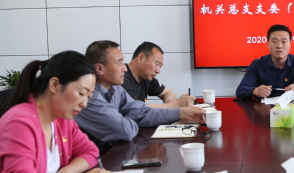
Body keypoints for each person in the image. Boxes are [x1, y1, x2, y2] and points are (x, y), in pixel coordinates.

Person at [74, 40, 205, 145]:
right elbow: (125, 130)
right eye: (119, 63)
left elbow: (141, 112)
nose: (125, 69)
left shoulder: (116, 89)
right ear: (100, 69)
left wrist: (181, 113)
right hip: (96, 162)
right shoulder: (89, 97)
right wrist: (127, 118)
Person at [235, 24, 294, 99]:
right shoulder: (257, 64)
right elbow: (240, 90)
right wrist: (255, 91)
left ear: (290, 44)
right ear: (268, 44)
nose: (279, 46)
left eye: (284, 42)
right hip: (265, 110)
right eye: (274, 41)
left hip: (292, 109)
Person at [123, 41, 193, 107]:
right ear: (141, 57)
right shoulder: (121, 77)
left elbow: (168, 92)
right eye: (156, 64)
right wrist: (176, 105)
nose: (158, 71)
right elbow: (136, 109)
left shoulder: (145, 78)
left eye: (160, 66)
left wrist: (169, 100)